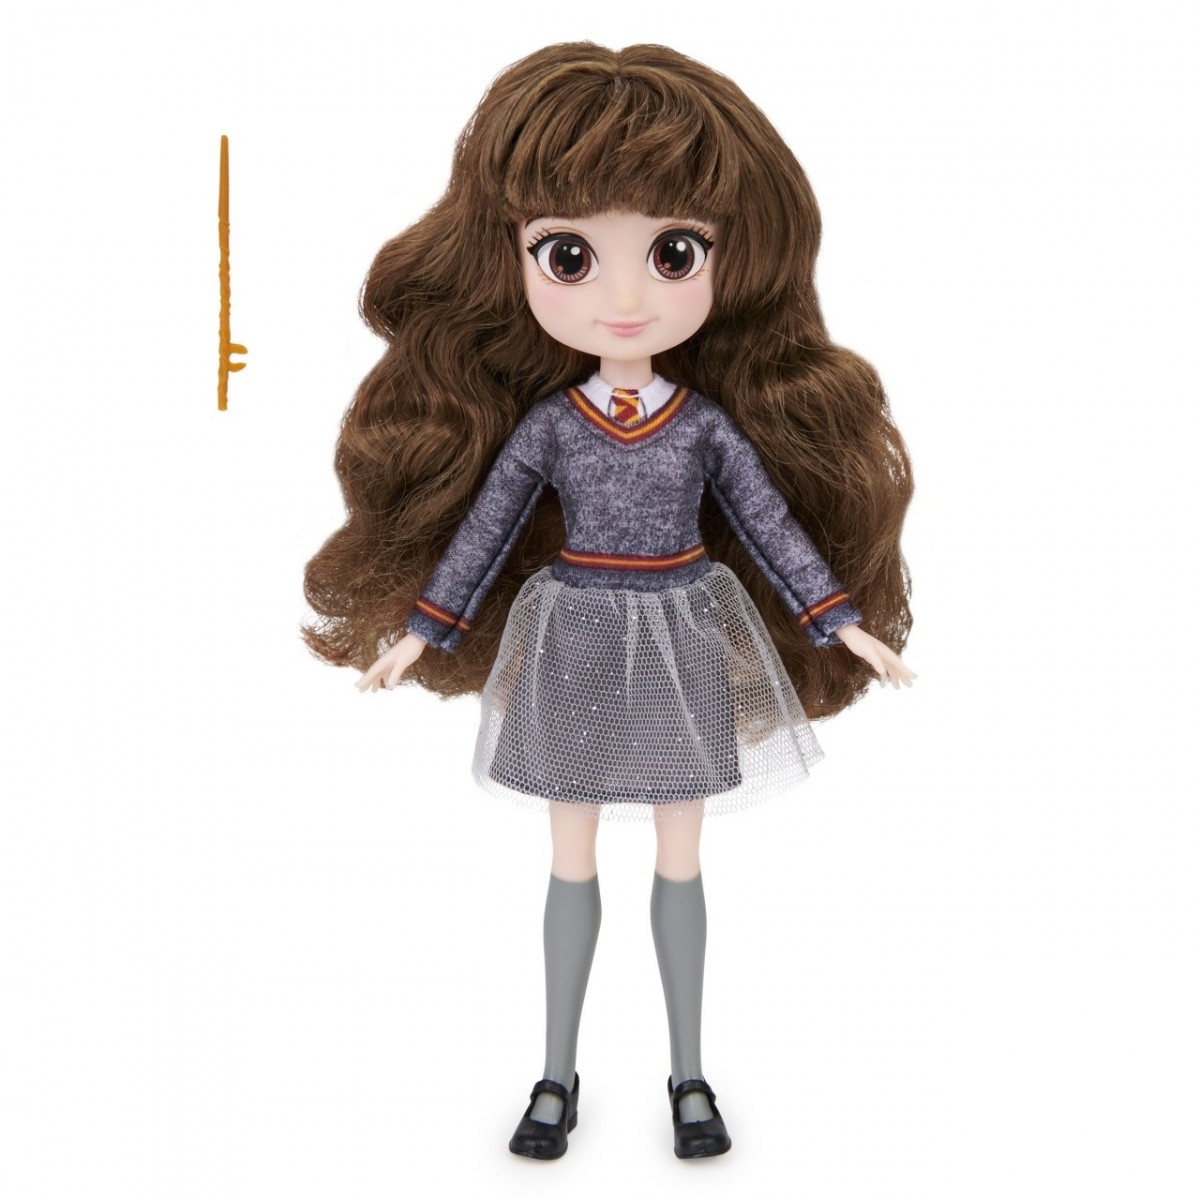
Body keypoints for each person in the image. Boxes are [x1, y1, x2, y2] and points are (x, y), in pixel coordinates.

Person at [304, 42, 915, 1160]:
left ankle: (689, 1073)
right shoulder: (550, 426)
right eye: (571, 255)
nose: (626, 298)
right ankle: (556, 1073)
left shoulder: (703, 424)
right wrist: (422, 631)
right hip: (575, 635)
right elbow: (488, 529)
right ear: (511, 260)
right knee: (571, 863)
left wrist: (838, 620)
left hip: (684, 633)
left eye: (674, 254)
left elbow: (769, 523)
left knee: (681, 864)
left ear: (731, 258)